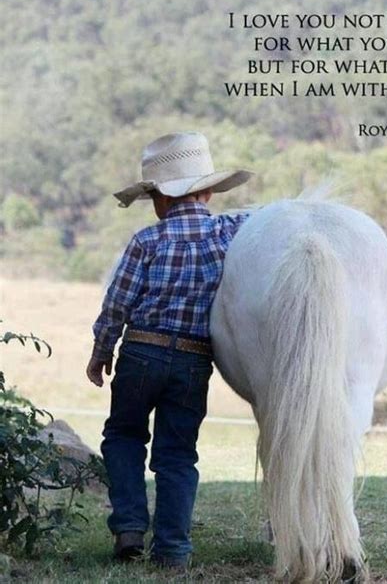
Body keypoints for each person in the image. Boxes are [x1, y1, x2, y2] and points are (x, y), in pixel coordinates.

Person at [86, 131, 254, 568]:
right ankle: (173, 551)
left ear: (160, 199)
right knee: (178, 455)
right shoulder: (228, 234)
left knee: (123, 437)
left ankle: (128, 528)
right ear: (209, 192)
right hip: (194, 361)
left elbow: (117, 302)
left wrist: (102, 350)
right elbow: (262, 218)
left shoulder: (146, 241)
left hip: (142, 352)